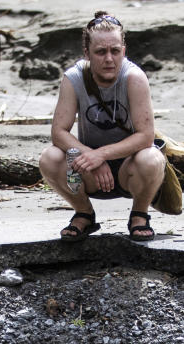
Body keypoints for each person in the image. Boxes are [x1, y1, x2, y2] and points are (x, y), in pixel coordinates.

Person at [38, 12, 166, 243]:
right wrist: (91, 158)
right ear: (87, 53)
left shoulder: (134, 77)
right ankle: (84, 213)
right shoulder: (73, 78)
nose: (109, 59)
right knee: (50, 157)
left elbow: (146, 136)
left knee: (152, 158)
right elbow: (59, 132)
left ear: (123, 51)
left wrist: (102, 155)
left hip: (131, 169)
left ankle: (139, 214)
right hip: (88, 172)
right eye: (101, 52)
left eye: (115, 51)